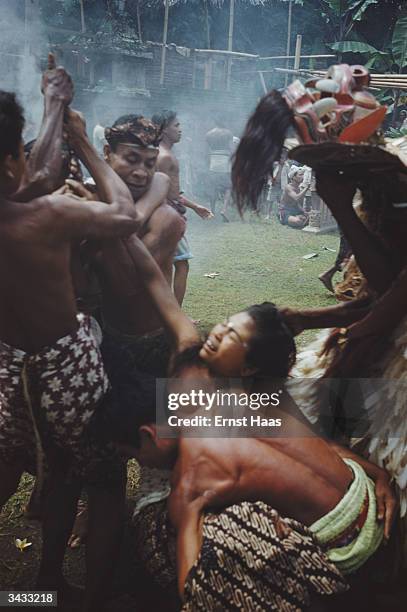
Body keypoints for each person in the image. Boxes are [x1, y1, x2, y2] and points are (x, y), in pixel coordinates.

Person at [97, 234, 396, 610]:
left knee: (248, 522)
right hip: (175, 484)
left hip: (211, 485)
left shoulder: (260, 398)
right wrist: (123, 229)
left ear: (250, 366)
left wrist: (375, 474)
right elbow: (154, 280)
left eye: (231, 334)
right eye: (223, 325)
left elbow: (315, 449)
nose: (218, 332)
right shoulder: (189, 360)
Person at [0, 68, 141, 609]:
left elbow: (29, 180)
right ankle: (55, 587)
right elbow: (125, 215)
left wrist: (52, 107)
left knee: (12, 462)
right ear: (12, 158)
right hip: (66, 374)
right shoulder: (50, 214)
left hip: (10, 370)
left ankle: (38, 590)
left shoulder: (29, 204)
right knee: (94, 480)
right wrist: (83, 139)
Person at [151, 110, 213, 306]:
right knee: (180, 264)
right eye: (176, 126)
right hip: (167, 216)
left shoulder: (162, 154)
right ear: (163, 130)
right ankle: (173, 313)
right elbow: (165, 192)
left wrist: (195, 207)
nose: (180, 129)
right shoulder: (165, 157)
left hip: (167, 214)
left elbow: (172, 192)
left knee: (170, 263)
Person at [205, 117, 234, 219]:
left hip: (213, 161)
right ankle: (224, 210)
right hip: (225, 161)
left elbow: (207, 150)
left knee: (213, 187)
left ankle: (212, 211)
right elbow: (231, 148)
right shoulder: (228, 133)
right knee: (228, 187)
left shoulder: (209, 134)